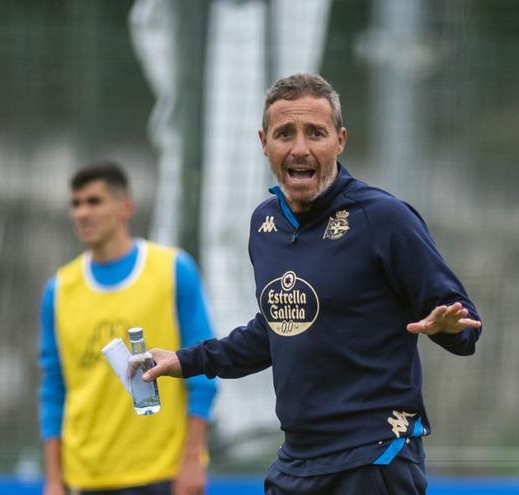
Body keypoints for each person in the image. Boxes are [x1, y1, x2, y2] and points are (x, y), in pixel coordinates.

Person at [139, 73, 482, 494]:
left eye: (315, 133)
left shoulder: (384, 218)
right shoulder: (265, 225)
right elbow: (276, 329)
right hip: (298, 461)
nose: (300, 148)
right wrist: (185, 360)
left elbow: (462, 320)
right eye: (285, 133)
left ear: (339, 140)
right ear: (264, 143)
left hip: (373, 457)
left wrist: (448, 328)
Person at [38, 162, 217, 495]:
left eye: (94, 201)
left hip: (162, 472)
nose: (82, 212)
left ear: (125, 207)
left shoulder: (173, 270)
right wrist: (53, 479)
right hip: (85, 477)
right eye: (76, 204)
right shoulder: (59, 290)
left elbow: (203, 371)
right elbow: (53, 388)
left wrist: (193, 460)